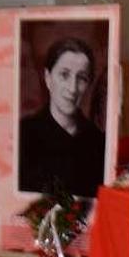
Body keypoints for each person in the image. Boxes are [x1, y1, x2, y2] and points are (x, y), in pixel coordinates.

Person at [19, 37, 106, 198]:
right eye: (64, 75)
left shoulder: (98, 142)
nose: (72, 89)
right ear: (48, 78)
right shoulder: (23, 134)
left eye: (82, 78)